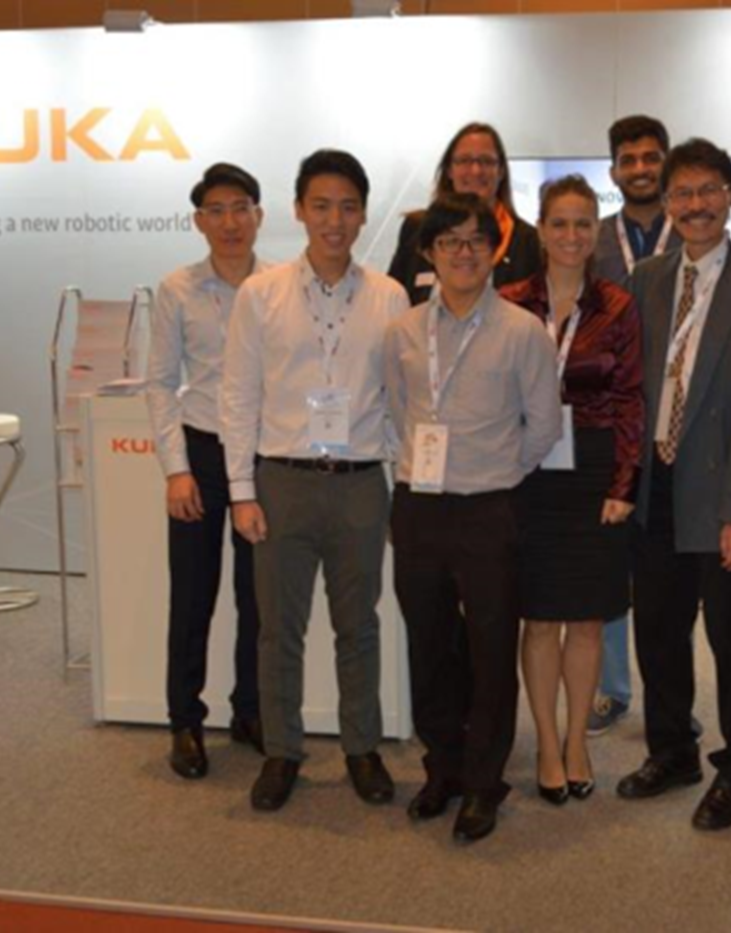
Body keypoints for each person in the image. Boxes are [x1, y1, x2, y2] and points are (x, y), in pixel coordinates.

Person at [222, 150, 410, 812]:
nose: (335, 220)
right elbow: (238, 396)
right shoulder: (261, 294)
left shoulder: (389, 296)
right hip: (283, 481)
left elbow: (399, 401)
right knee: (280, 629)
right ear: (300, 210)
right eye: (322, 205)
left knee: (359, 625)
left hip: (361, 483)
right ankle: (282, 750)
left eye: (348, 206)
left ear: (363, 214)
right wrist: (241, 492)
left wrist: (402, 487)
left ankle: (362, 747)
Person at [615, 139, 731, 832]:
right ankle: (671, 751)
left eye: (708, 190)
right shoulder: (647, 280)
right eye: (682, 193)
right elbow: (630, 388)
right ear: (666, 202)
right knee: (658, 633)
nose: (696, 205)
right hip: (655, 488)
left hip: (722, 495)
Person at [384, 192, 562, 843]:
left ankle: (485, 781)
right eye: (449, 241)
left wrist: (496, 471)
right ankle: (444, 768)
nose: (463, 252)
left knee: (491, 649)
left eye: (476, 240)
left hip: (491, 507)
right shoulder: (403, 331)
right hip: (419, 508)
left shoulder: (522, 329)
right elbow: (395, 411)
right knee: (430, 646)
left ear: (494, 251)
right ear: (428, 252)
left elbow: (543, 425)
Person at [500, 175, 644, 805]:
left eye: (583, 223)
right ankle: (547, 744)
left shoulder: (618, 305)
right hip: (525, 472)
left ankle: (578, 741)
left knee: (585, 619)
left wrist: (624, 483)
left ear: (596, 232)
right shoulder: (509, 302)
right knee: (537, 619)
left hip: (593, 471)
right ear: (541, 229)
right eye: (559, 223)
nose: (571, 235)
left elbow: (631, 399)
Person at [146, 162, 268, 781]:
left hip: (263, 456)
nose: (230, 222)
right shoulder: (178, 289)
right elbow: (160, 383)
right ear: (198, 221)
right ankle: (185, 721)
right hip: (199, 453)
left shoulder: (280, 285)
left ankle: (251, 711)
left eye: (240, 207)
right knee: (192, 595)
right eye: (216, 210)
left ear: (259, 216)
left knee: (260, 596)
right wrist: (176, 469)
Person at [587, 114, 682, 736]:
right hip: (611, 420)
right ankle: (614, 688)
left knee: (671, 572)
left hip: (678, 421)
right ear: (614, 170)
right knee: (609, 562)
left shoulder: (694, 230)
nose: (641, 169)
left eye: (651, 157)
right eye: (629, 159)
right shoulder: (593, 240)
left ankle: (675, 697)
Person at [387, 122, 541, 306]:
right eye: (464, 160)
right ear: (449, 170)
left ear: (501, 171)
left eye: (486, 161)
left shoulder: (528, 241)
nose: (475, 170)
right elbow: (394, 301)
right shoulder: (416, 229)